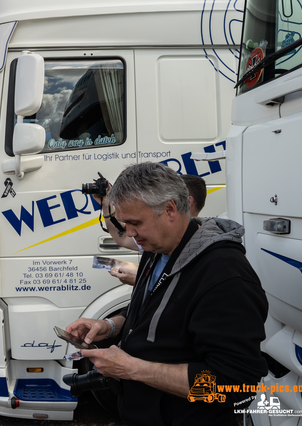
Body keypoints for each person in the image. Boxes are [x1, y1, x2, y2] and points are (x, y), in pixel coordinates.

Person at [66, 162, 268, 426]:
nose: (129, 233)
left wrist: (133, 369)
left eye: (135, 222)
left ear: (170, 209)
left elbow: (233, 385)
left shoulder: (224, 275)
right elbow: (150, 309)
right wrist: (109, 326)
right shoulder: (157, 247)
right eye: (125, 223)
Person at [99, 174, 208, 286]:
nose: (131, 233)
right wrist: (105, 203)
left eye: (137, 222)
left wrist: (140, 280)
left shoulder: (208, 257)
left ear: (187, 201)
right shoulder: (156, 243)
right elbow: (122, 238)